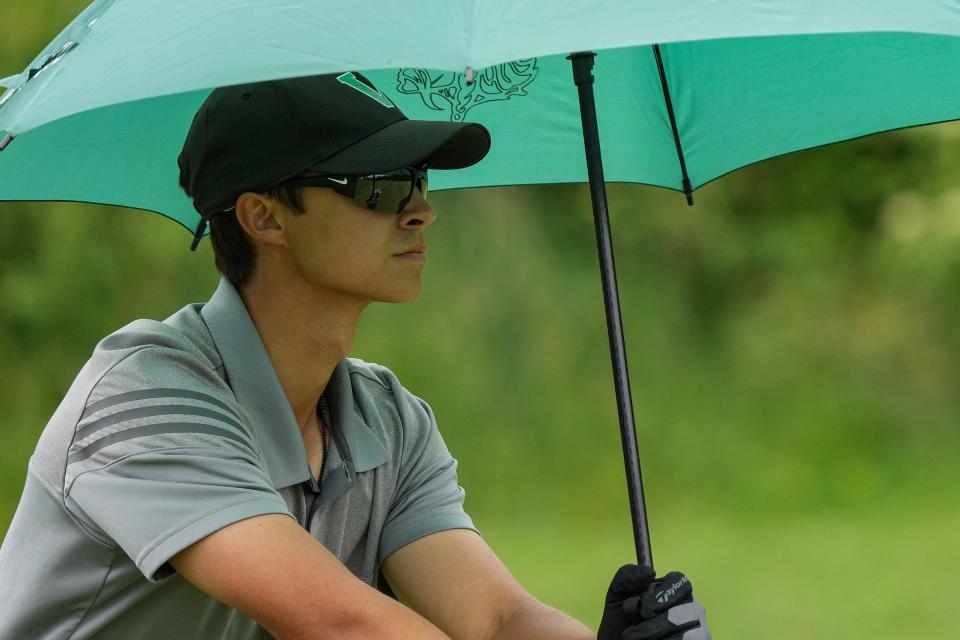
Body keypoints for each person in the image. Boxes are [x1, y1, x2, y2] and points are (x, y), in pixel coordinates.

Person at [0, 71, 710, 640]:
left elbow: (495, 619)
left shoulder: (388, 418)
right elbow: (338, 622)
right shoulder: (145, 396)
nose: (420, 209)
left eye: (420, 177)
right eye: (377, 183)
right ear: (264, 217)